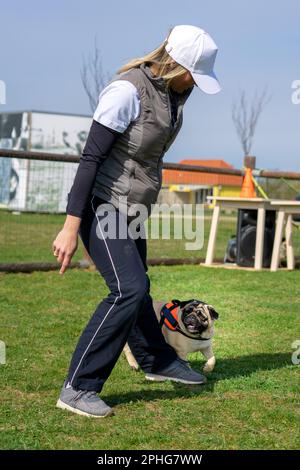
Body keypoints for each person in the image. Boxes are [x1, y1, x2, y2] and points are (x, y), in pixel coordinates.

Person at [52, 24, 221, 418]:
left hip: (133, 209)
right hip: (103, 205)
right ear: (177, 64)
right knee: (128, 289)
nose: (195, 85)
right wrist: (71, 226)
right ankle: (78, 386)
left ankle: (156, 361)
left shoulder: (174, 95)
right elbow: (91, 158)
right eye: (194, 76)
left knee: (139, 290)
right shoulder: (127, 91)